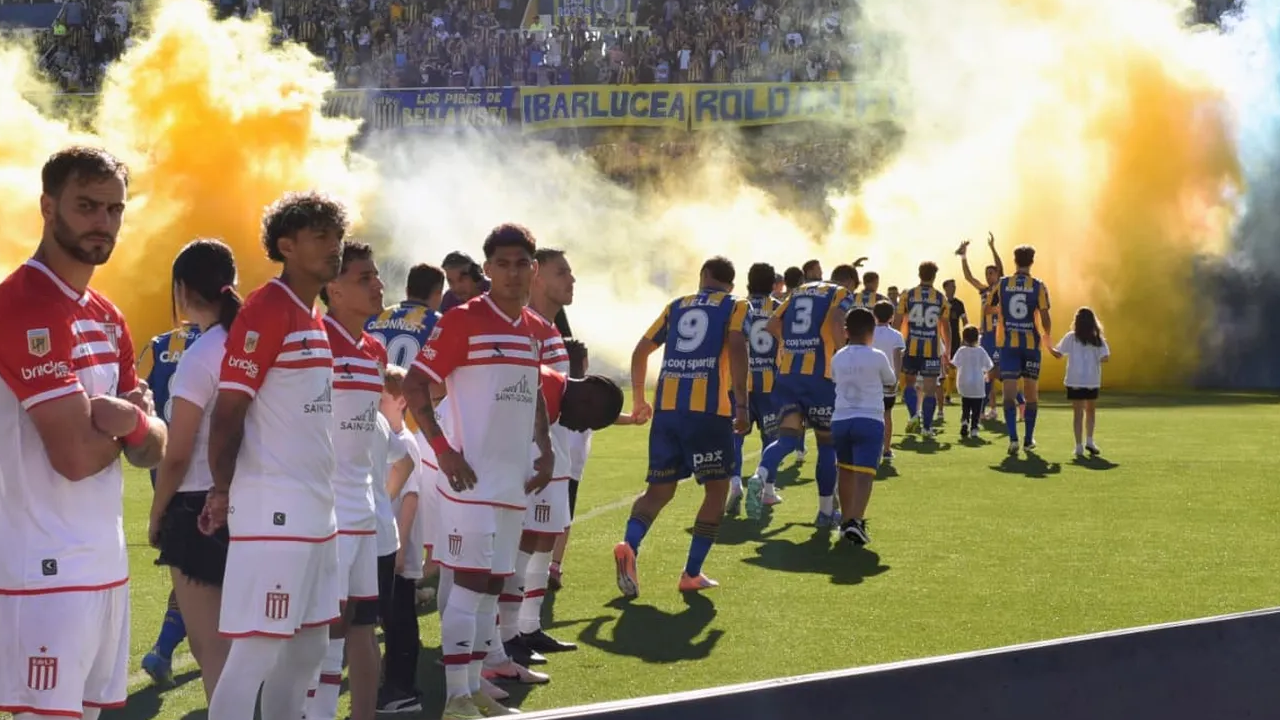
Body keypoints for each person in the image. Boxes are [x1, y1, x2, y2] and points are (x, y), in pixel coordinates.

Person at [0, 146, 166, 720]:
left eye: (114, 209)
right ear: (48, 207)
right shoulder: (22, 305)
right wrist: (133, 427)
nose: (104, 221)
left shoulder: (107, 314)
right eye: (87, 206)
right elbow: (72, 456)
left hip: (105, 566)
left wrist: (133, 423)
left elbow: (150, 447)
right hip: (42, 569)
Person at [203, 191, 348, 720]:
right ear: (286, 247)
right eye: (320, 237)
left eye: (337, 236)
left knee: (309, 649)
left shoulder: (313, 314)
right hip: (275, 510)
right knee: (256, 652)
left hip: (317, 510)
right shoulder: (267, 308)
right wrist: (223, 489)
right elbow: (227, 413)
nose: (334, 247)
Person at [402, 223, 556, 719]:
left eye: (522, 264)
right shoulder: (462, 320)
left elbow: (532, 390)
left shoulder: (532, 327)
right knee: (469, 587)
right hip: (469, 481)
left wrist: (546, 446)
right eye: (502, 265)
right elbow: (415, 385)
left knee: (491, 588)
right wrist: (444, 451)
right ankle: (455, 699)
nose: (513, 274)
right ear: (487, 269)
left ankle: (474, 687)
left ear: (534, 269)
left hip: (512, 481)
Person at [615, 256, 749, 597]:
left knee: (658, 491)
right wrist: (743, 404)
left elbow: (640, 351)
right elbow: (737, 346)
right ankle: (691, 573)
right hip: (708, 413)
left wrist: (638, 400)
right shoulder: (736, 305)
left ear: (703, 276)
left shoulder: (676, 305)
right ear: (731, 284)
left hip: (667, 410)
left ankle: (630, 544)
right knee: (716, 491)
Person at [148, 239, 240, 702]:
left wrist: (156, 513)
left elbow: (178, 452)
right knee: (252, 645)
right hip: (252, 500)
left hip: (198, 505)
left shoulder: (201, 355)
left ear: (182, 289)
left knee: (212, 650)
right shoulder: (252, 345)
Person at [302, 240, 389, 720]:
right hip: (327, 509)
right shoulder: (316, 340)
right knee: (325, 627)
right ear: (333, 289)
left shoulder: (374, 349)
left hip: (364, 508)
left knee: (358, 622)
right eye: (364, 278)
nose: (378, 285)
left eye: (376, 275)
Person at [507, 248, 578, 663]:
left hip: (555, 446)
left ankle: (529, 626)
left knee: (546, 535)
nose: (571, 280)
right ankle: (508, 633)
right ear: (537, 277)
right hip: (531, 450)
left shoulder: (549, 329)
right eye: (562, 272)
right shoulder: (526, 326)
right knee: (524, 538)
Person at [746, 267, 854, 525]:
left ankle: (760, 475)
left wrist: (792, 343)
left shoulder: (797, 292)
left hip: (787, 375)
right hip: (819, 379)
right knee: (826, 443)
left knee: (786, 439)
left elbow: (772, 324)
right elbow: (836, 322)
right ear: (850, 281)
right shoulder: (840, 293)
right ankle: (825, 512)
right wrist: (844, 354)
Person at [137, 318, 201, 687]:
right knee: (209, 572)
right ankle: (165, 648)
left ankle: (164, 649)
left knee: (189, 566)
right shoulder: (226, 337)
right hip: (210, 474)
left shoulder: (158, 344)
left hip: (164, 474)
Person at [374, 367, 423, 713]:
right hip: (390, 546)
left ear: (401, 401)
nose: (376, 405)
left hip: (398, 550)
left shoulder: (405, 442)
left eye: (382, 398)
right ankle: (394, 685)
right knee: (392, 619)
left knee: (400, 619)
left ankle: (401, 689)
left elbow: (410, 498)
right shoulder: (389, 439)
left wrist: (401, 547)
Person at [829, 308, 897, 547]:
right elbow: (891, 381)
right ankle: (856, 521)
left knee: (845, 471)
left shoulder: (838, 356)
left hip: (841, 419)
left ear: (846, 331)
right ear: (872, 331)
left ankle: (846, 520)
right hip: (869, 419)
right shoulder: (877, 356)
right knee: (865, 474)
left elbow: (834, 379)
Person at [727, 262, 780, 515]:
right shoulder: (779, 308)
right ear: (772, 284)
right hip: (770, 386)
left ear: (748, 281)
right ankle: (767, 489)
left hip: (739, 383)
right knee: (771, 439)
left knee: (735, 438)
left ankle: (735, 483)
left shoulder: (737, 307)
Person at [989, 245, 1053, 455]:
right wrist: (1047, 336)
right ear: (1032, 262)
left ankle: (1013, 439)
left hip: (1008, 346)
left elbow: (988, 307)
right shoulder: (1038, 286)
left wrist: (1003, 312)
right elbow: (1045, 318)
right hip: (1031, 346)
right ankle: (1028, 439)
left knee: (1009, 394)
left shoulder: (1003, 283)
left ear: (1014, 261)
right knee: (1031, 394)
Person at [958, 233, 1018, 420]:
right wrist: (963, 256)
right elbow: (969, 277)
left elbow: (1001, 267)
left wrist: (992, 247)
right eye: (987, 273)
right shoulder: (983, 290)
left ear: (997, 274)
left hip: (1000, 335)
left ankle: (1019, 404)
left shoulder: (1002, 287)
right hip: (986, 336)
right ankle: (988, 409)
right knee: (987, 373)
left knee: (1001, 372)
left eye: (991, 273)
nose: (988, 276)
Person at [897, 262, 953, 440]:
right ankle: (927, 428)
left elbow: (898, 321)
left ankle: (914, 415)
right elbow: (946, 327)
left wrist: (898, 343)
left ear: (919, 274)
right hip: (931, 351)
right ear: (934, 276)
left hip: (911, 348)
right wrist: (947, 351)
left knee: (909, 384)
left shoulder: (907, 295)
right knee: (930, 390)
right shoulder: (941, 298)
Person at [1049, 308, 1110, 458]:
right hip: (1092, 380)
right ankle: (1089, 440)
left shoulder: (1071, 337)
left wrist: (1048, 346)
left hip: (1075, 379)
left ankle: (1078, 446)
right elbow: (1105, 357)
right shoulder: (1097, 339)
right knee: (1090, 411)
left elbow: (1058, 354)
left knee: (1078, 413)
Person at [367, 262, 445, 369]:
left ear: (407, 291)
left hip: (368, 378)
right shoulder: (440, 323)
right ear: (438, 294)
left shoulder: (374, 318)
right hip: (410, 379)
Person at [870, 300, 904, 463]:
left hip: (870, 380)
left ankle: (871, 448)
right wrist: (896, 378)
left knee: (870, 414)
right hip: (887, 379)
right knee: (887, 415)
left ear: (874, 315)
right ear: (892, 316)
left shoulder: (868, 332)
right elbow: (897, 358)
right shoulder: (896, 335)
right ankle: (887, 449)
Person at [949, 325, 994, 439]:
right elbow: (989, 366)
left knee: (966, 405)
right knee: (976, 408)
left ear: (964, 338)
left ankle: (965, 421)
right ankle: (974, 428)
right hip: (978, 384)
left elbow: (953, 365)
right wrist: (987, 375)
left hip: (964, 383)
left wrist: (946, 362)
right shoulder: (981, 351)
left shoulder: (961, 351)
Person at [937, 278, 968, 415]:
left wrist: (966, 337)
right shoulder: (940, 302)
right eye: (951, 286)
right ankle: (940, 394)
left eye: (954, 286)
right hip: (940, 339)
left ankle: (948, 395)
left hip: (955, 339)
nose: (954, 288)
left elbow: (965, 321)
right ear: (945, 288)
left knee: (953, 366)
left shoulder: (959, 304)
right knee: (942, 367)